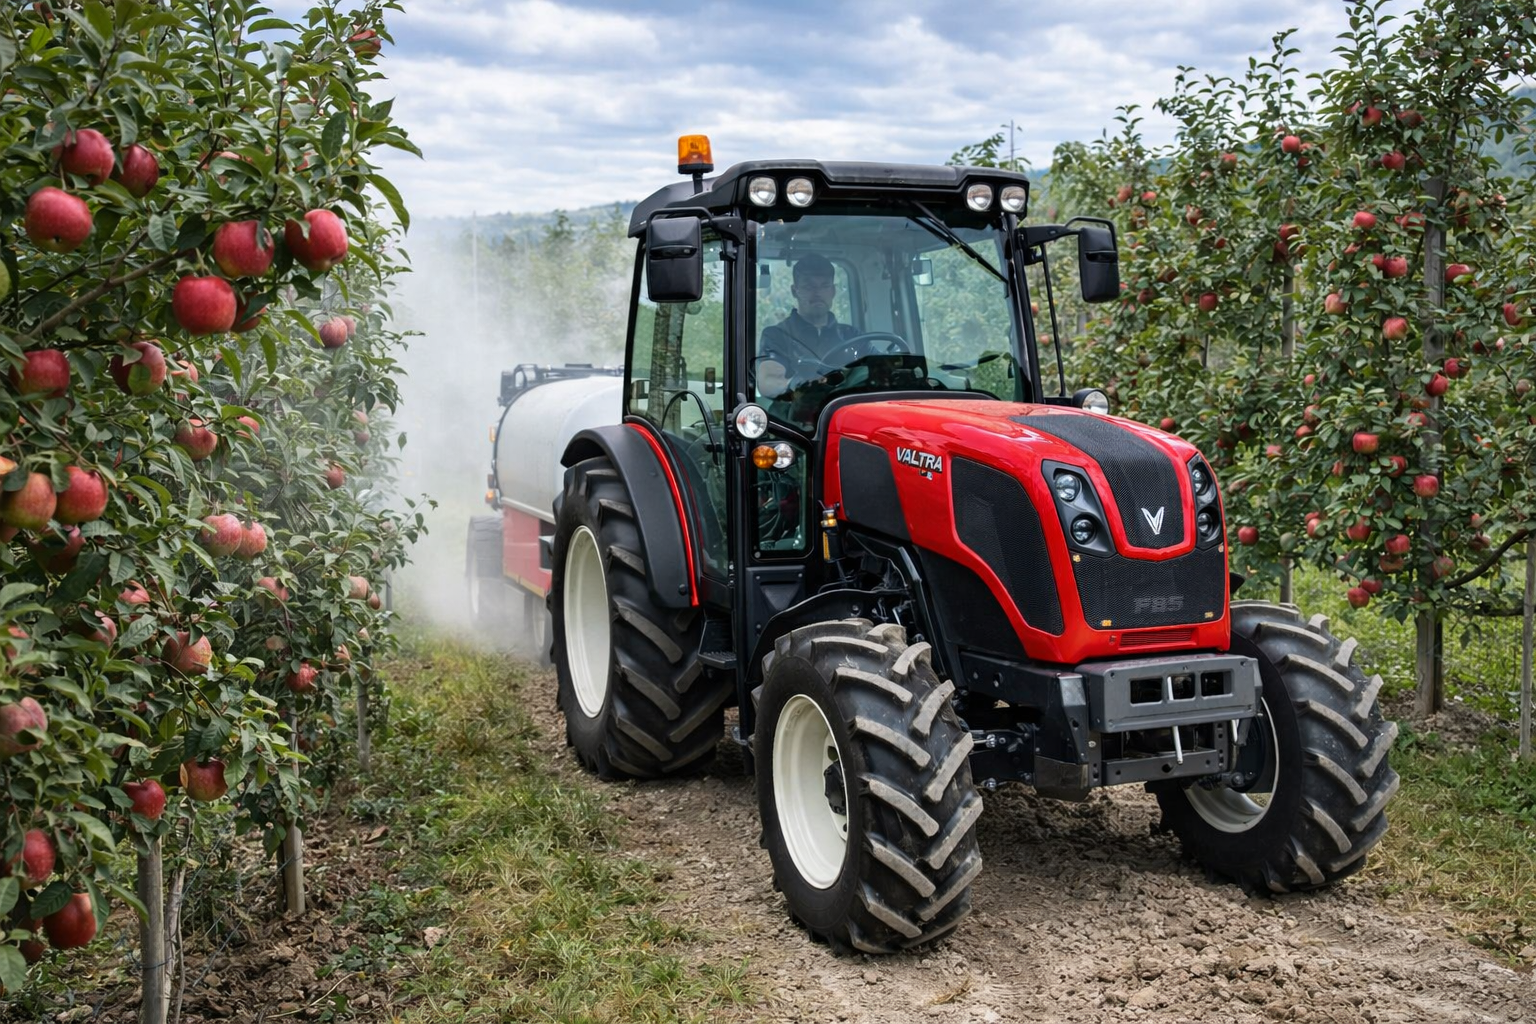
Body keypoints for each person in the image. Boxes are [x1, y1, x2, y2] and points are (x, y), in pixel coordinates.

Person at [755, 253, 856, 399]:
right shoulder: (776, 336)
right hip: (794, 418)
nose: (817, 293)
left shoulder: (852, 336)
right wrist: (802, 385)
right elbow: (768, 382)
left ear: (833, 291)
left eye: (824, 286)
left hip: (849, 413)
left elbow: (881, 369)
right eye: (809, 286)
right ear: (795, 291)